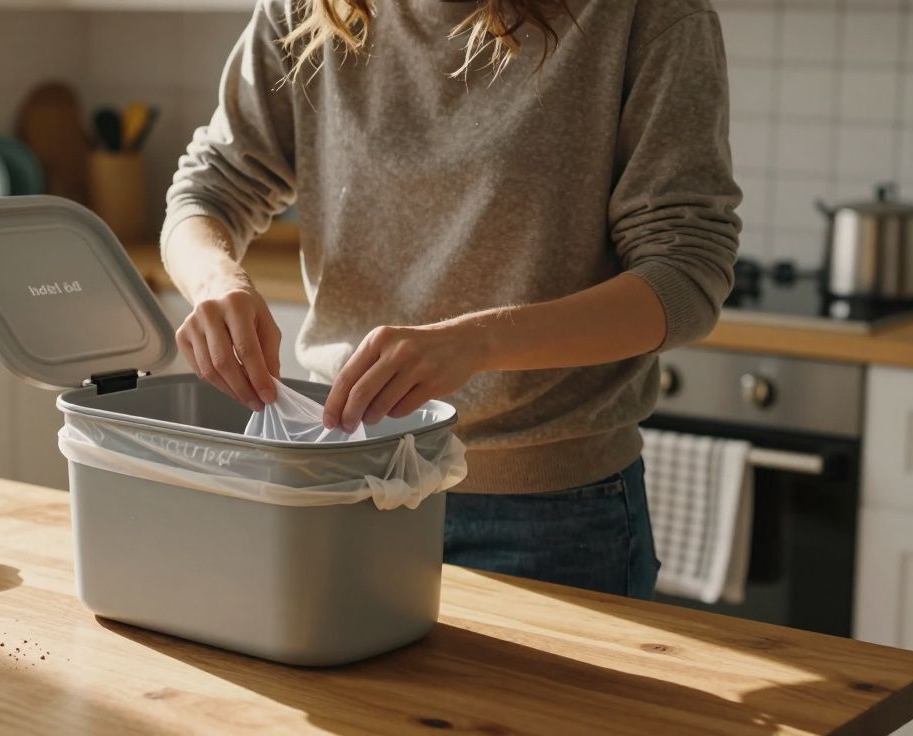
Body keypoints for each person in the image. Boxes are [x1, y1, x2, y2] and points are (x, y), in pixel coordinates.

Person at [159, 0, 740, 599]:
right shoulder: (306, 10)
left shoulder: (647, 15)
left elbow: (686, 274)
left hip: (553, 515)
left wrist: (478, 342)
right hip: (343, 481)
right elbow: (208, 189)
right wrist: (215, 282)